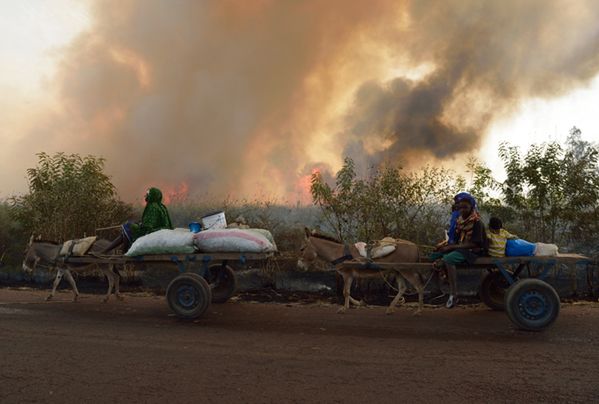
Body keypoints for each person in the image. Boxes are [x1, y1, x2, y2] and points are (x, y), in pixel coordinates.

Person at [430, 198, 487, 308]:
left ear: (471, 208)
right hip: (460, 249)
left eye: (465, 207)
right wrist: (444, 246)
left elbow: (475, 244)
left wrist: (452, 247)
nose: (462, 210)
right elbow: (455, 240)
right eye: (460, 208)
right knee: (434, 256)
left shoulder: (477, 222)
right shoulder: (460, 221)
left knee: (448, 259)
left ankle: (454, 294)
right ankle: (442, 282)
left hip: (472, 252)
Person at [102, 187, 173, 253]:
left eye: (148, 194)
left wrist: (140, 225)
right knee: (130, 226)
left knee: (128, 226)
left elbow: (148, 226)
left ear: (153, 196)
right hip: (160, 229)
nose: (146, 196)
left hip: (152, 231)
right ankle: (121, 250)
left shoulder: (152, 206)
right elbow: (152, 221)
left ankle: (115, 251)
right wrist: (140, 223)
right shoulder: (161, 206)